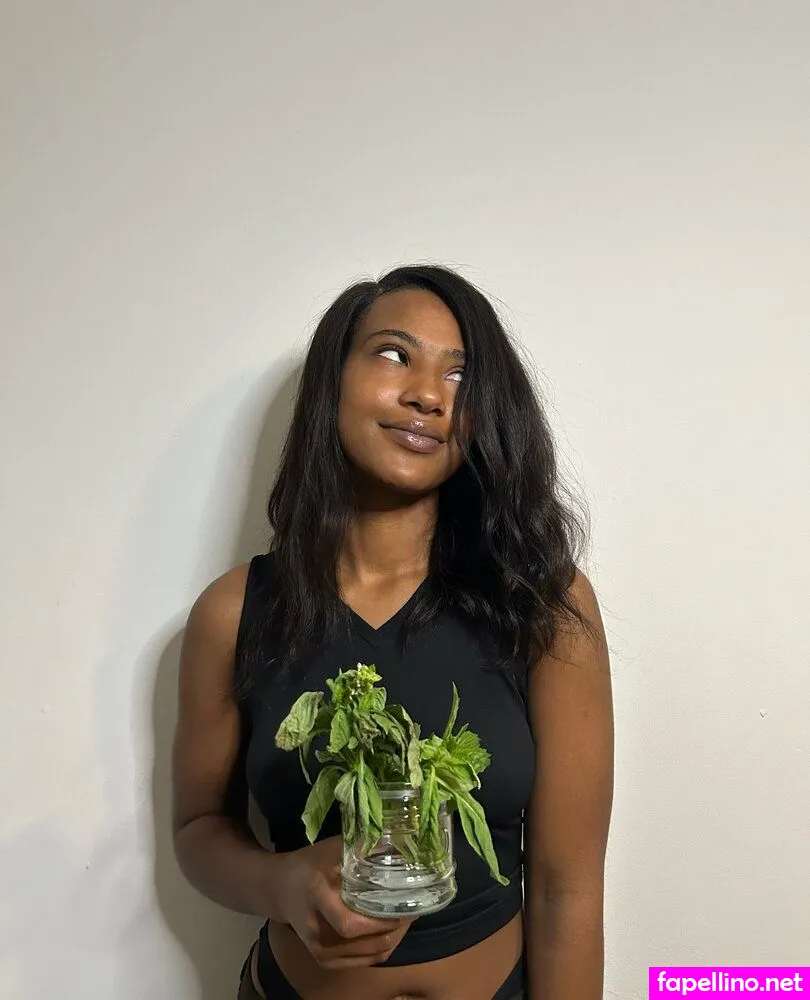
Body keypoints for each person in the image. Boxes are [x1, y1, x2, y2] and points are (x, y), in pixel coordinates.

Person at [171, 264, 614, 1000]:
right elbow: (197, 829)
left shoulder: (542, 604)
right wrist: (281, 882)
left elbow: (567, 887)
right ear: (332, 382)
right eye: (393, 354)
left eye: (460, 375)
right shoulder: (233, 613)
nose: (428, 394)